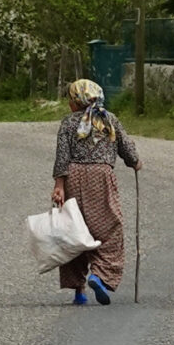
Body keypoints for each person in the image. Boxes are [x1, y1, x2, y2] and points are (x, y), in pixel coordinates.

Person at [50, 77, 140, 305]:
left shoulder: (68, 123)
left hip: (73, 177)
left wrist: (59, 185)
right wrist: (136, 163)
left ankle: (79, 290)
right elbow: (127, 150)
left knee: (74, 230)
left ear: (76, 102)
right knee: (109, 228)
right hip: (101, 178)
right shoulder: (109, 119)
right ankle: (99, 275)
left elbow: (62, 156)